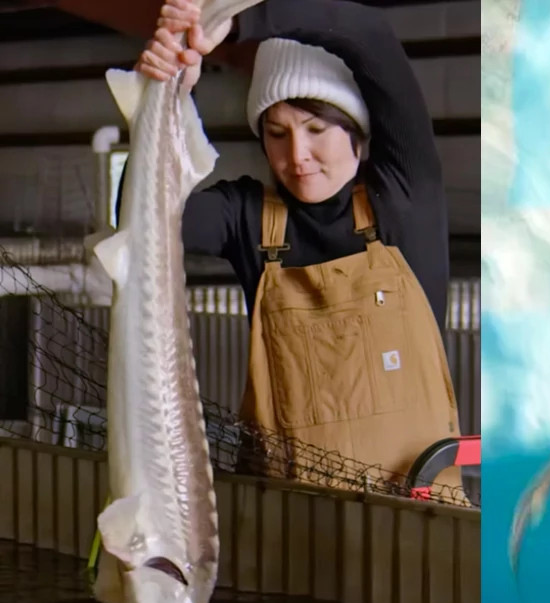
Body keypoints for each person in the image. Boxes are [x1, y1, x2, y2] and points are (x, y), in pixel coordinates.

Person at [121, 0, 462, 490]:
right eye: (277, 133)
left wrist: (232, 24)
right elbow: (139, 217)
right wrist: (167, 97)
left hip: (412, 520)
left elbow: (369, 32)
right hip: (288, 519)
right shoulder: (247, 217)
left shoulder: (403, 199)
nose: (297, 155)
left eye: (316, 129)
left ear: (356, 134)